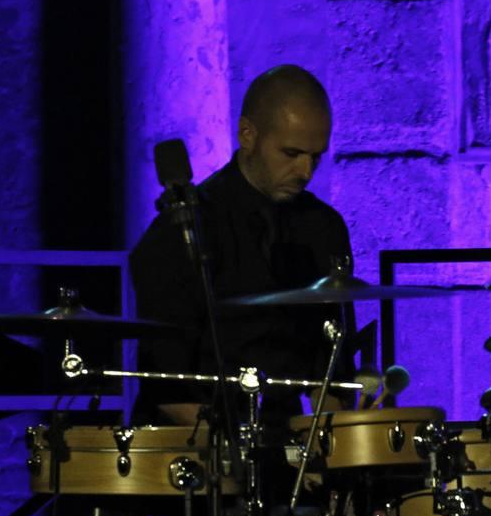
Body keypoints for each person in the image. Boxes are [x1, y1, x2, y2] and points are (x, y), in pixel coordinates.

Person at [130, 64, 354, 428]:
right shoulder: (185, 228)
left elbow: (330, 371)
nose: (306, 171)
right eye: (291, 153)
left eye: (316, 157)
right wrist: (239, 454)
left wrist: (329, 443)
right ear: (248, 134)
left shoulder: (324, 228)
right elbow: (168, 387)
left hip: (289, 443)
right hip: (199, 448)